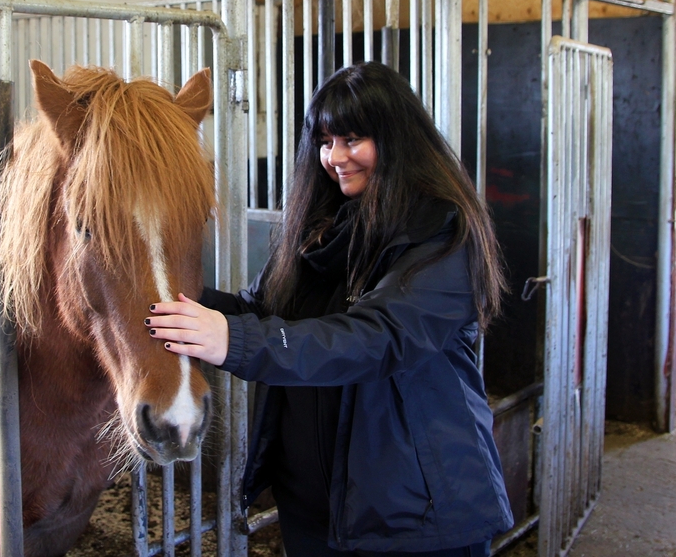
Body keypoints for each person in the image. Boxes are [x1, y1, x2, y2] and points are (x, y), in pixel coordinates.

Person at [146, 62, 513, 556]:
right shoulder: (322, 228)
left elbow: (377, 337)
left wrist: (234, 340)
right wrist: (160, 293)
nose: (335, 157)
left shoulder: (443, 232)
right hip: (316, 508)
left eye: (352, 139)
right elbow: (257, 308)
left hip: (412, 515)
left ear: (397, 139)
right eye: (324, 142)